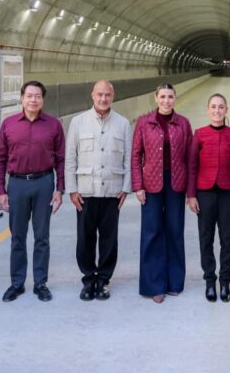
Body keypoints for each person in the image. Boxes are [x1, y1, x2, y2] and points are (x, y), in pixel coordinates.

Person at [0, 80, 65, 303]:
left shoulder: (53, 125)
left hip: (44, 183)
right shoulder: (9, 124)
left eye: (37, 96)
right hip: (17, 184)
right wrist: (1, 191)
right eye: (29, 96)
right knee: (18, 236)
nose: (33, 100)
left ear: (43, 100)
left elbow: (61, 159)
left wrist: (60, 188)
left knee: (42, 236)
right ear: (22, 98)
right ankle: (17, 283)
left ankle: (41, 282)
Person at [65, 80, 132, 301]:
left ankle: (103, 280)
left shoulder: (122, 124)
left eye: (107, 95)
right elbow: (70, 158)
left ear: (113, 96)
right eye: (99, 94)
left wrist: (125, 188)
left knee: (109, 239)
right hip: (85, 191)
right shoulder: (78, 122)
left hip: (112, 191)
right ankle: (88, 280)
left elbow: (130, 159)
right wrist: (72, 189)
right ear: (92, 95)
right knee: (84, 239)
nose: (103, 99)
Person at [132, 83, 193, 303]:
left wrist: (191, 191)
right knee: (152, 232)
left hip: (176, 183)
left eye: (170, 97)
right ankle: (153, 285)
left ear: (175, 98)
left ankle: (174, 282)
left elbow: (190, 158)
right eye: (162, 97)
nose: (166, 101)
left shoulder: (183, 124)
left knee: (175, 231)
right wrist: (138, 185)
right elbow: (136, 155)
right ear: (155, 98)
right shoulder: (144, 123)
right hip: (151, 184)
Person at [187, 93, 230, 303]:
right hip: (205, 193)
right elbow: (192, 167)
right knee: (206, 238)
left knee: (227, 239)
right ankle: (210, 281)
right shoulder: (200, 134)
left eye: (221, 107)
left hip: (228, 193)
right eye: (213, 107)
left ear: (226, 110)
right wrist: (191, 195)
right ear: (208, 109)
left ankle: (225, 281)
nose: (217, 110)